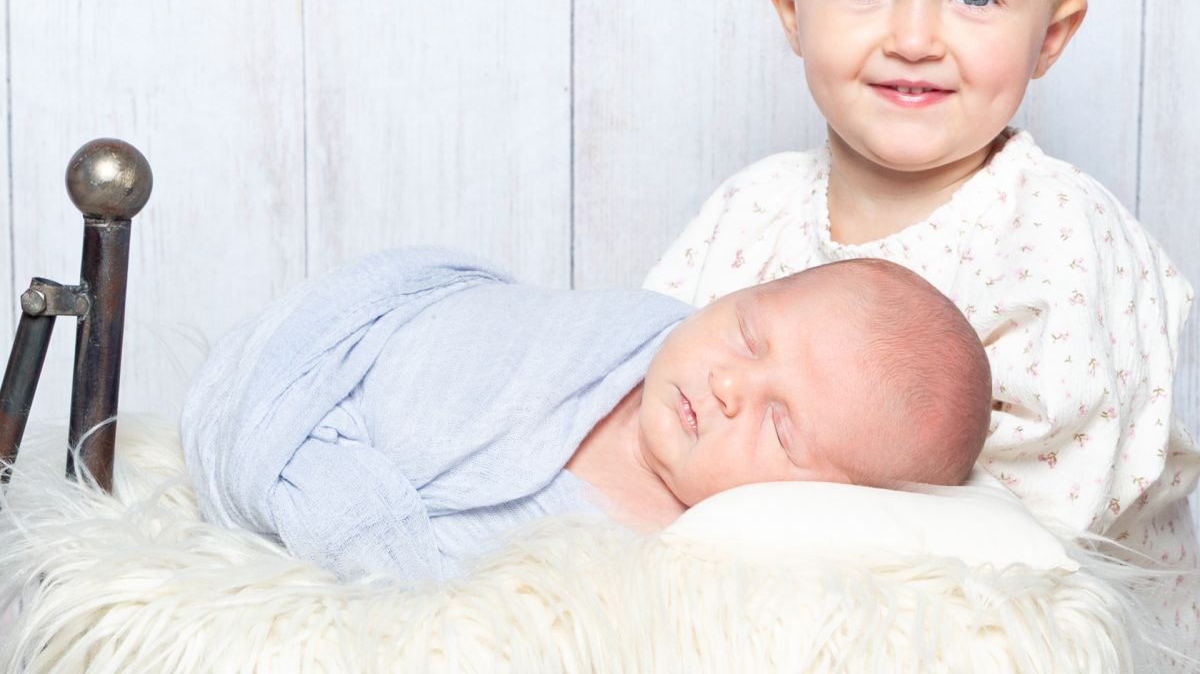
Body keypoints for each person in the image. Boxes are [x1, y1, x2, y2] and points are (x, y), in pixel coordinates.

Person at [643, 0, 1200, 631]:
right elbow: (650, 368)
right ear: (792, 10)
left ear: (1050, 36)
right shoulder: (752, 210)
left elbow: (1026, 549)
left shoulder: (1058, 241)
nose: (913, 38)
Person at [182, 247, 990, 582]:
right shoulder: (622, 334)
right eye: (749, 334)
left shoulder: (677, 562)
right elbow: (463, 333)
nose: (729, 386)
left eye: (779, 427)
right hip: (333, 354)